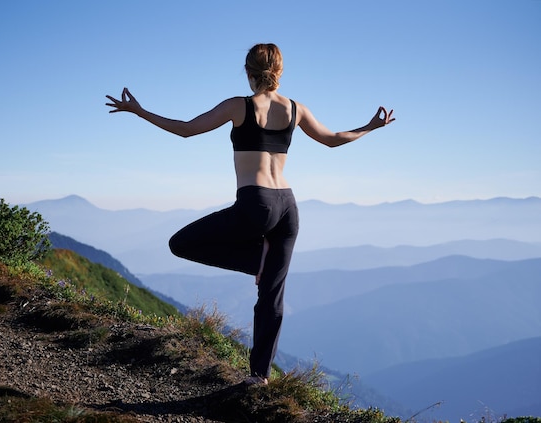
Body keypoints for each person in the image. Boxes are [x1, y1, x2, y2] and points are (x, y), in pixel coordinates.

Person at [105, 43, 395, 386]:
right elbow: (332, 139)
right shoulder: (296, 109)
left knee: (181, 243)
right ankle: (259, 376)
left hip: (256, 203)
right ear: (281, 73)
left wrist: (140, 111)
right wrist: (370, 127)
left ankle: (256, 261)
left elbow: (186, 129)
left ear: (248, 72)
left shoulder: (238, 106)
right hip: (288, 206)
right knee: (271, 296)